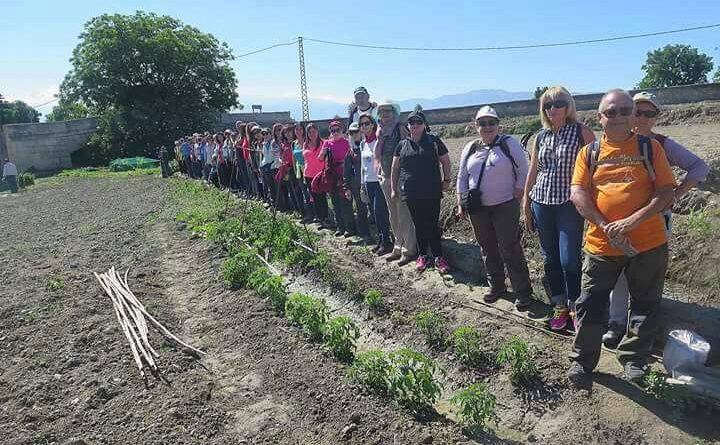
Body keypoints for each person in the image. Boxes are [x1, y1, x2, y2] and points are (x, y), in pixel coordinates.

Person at [567, 89, 676, 385]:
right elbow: (577, 193)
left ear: (634, 116)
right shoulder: (588, 153)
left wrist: (632, 220)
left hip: (648, 242)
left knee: (644, 302)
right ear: (600, 117)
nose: (619, 117)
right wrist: (606, 226)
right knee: (590, 302)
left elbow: (666, 191)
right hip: (600, 244)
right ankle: (582, 362)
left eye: (626, 111)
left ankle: (633, 359)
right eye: (611, 112)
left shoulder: (650, 148)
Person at [602, 91, 711, 349]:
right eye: (636, 111)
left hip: (654, 220)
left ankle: (639, 332)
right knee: (618, 275)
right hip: (619, 222)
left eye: (649, 113)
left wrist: (676, 194)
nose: (641, 117)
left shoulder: (660, 144)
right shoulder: (611, 143)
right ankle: (617, 323)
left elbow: (699, 167)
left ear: (656, 118)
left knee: (646, 278)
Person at [523, 86, 596, 330]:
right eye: (547, 105)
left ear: (568, 106)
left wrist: (593, 207)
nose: (552, 109)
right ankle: (559, 304)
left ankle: (576, 305)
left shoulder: (581, 132)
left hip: (568, 204)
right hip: (541, 202)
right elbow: (533, 171)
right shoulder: (541, 137)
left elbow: (595, 171)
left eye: (558, 103)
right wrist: (526, 204)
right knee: (550, 258)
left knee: (569, 259)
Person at [456, 106, 533, 309]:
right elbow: (462, 176)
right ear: (476, 126)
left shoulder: (509, 144)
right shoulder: (471, 148)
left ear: (498, 125)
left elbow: (524, 171)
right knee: (487, 247)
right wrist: (460, 201)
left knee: (510, 247)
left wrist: (518, 192)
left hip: (505, 205)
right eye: (483, 123)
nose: (487, 127)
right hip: (477, 207)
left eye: (491, 123)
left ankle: (522, 291)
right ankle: (496, 285)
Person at [392, 110, 452, 273]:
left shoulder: (434, 141)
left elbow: (446, 161)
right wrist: (393, 188)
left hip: (431, 191)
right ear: (408, 126)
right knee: (418, 225)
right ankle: (423, 255)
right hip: (411, 192)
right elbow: (395, 168)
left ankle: (439, 257)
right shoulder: (402, 145)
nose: (415, 126)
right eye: (412, 123)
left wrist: (446, 180)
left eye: (419, 123)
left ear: (425, 125)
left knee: (431, 224)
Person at [375, 101, 416, 265]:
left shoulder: (399, 128)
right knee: (393, 214)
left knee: (404, 213)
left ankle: (409, 249)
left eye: (388, 111)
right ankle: (397, 246)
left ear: (394, 113)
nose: (385, 115)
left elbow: (408, 150)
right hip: (385, 176)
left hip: (399, 177)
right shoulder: (381, 131)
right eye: (382, 112)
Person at [360, 114, 392, 254]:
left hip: (379, 181)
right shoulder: (363, 143)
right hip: (368, 182)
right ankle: (380, 240)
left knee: (380, 212)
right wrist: (362, 183)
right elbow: (363, 165)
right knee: (374, 213)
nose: (364, 126)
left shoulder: (378, 141)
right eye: (361, 124)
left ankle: (387, 241)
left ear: (373, 125)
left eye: (367, 123)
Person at [320, 120, 354, 236]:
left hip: (344, 175)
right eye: (332, 130)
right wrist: (323, 152)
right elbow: (320, 158)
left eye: (337, 130)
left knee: (345, 202)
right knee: (335, 203)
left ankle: (350, 228)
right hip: (332, 176)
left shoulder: (346, 142)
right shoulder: (327, 143)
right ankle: (340, 227)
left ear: (342, 130)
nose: (335, 133)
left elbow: (351, 158)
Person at [343, 122, 370, 239]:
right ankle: (365, 234)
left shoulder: (368, 146)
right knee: (361, 210)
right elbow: (347, 171)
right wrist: (346, 187)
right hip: (356, 185)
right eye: (351, 132)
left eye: (356, 131)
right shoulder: (350, 152)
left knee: (375, 210)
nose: (354, 134)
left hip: (371, 182)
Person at [303, 123, 330, 227]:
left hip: (320, 174)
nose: (312, 134)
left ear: (317, 132)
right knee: (314, 197)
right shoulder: (305, 144)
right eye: (310, 132)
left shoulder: (323, 143)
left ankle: (325, 217)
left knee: (322, 196)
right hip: (308, 174)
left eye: (314, 131)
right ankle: (320, 218)